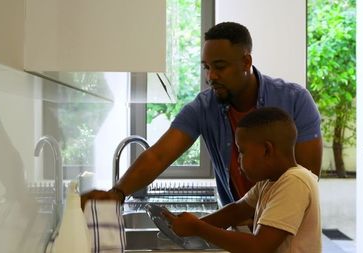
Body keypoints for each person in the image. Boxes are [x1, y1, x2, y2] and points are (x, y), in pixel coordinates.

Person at [81, 21, 322, 209]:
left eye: (219, 67)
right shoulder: (203, 106)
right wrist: (118, 193)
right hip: (239, 228)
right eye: (206, 67)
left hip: (287, 229)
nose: (211, 77)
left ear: (246, 61)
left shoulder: (295, 100)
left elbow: (306, 180)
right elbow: (158, 156)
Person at [164, 107, 321, 253]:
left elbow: (258, 247)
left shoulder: (295, 182)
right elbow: (236, 211)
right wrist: (190, 227)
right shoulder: (269, 182)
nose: (238, 159)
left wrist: (198, 228)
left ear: (267, 150)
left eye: (242, 152)